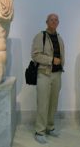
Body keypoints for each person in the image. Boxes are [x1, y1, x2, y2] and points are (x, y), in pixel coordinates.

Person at [31, 13, 65, 144]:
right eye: (52, 19)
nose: (54, 21)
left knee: (53, 103)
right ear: (47, 22)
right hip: (44, 74)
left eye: (56, 20)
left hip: (57, 75)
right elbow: (35, 55)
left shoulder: (59, 37)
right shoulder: (41, 36)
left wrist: (60, 65)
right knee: (43, 104)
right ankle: (39, 131)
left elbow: (62, 57)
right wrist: (51, 60)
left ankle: (50, 127)